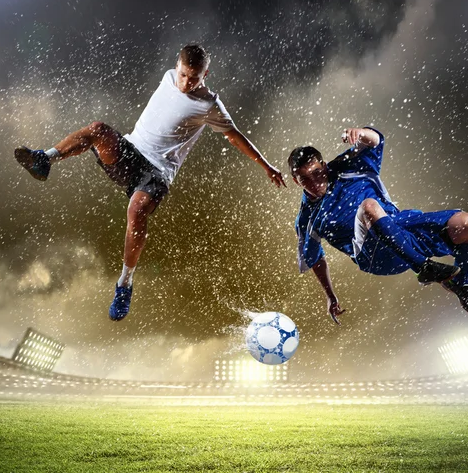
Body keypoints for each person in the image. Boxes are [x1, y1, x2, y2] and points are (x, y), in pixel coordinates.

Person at [15, 44, 286, 321]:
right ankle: (44, 160)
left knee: (137, 210)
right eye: (183, 75)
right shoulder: (168, 77)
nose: (186, 83)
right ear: (176, 67)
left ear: (206, 74)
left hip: (157, 172)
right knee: (97, 129)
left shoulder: (209, 105)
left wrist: (266, 166)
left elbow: (235, 136)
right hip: (131, 152)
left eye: (194, 78)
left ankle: (124, 284)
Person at [288, 126, 468, 325]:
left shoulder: (347, 165)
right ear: (296, 181)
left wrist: (360, 133)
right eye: (305, 179)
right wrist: (330, 295)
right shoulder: (306, 219)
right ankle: (423, 267)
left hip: (400, 229)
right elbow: (315, 258)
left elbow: (375, 140)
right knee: (368, 207)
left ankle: (461, 281)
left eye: (317, 173)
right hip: (376, 256)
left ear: (324, 166)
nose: (314, 183)